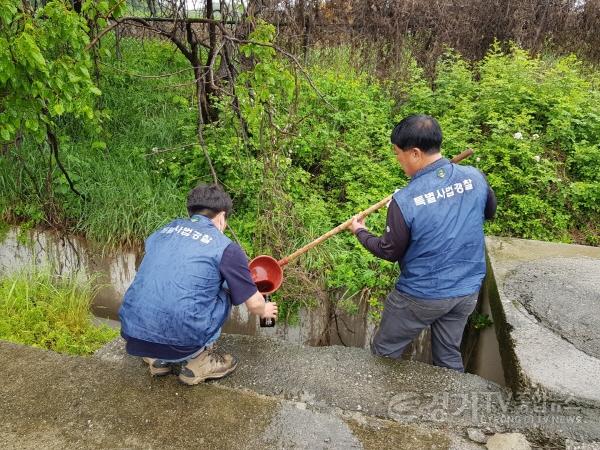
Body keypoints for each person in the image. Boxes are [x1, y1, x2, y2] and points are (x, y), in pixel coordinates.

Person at [349, 115, 496, 372]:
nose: (398, 160)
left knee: (384, 354)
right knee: (449, 356)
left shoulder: (405, 200)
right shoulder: (474, 176)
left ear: (415, 153)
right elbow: (489, 212)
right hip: (466, 291)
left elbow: (388, 250)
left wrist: (360, 231)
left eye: (398, 153)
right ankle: (453, 409)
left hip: (420, 296)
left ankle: (377, 408)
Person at [119, 184, 277, 385]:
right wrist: (265, 309)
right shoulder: (225, 248)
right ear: (221, 217)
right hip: (182, 343)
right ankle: (199, 362)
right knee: (226, 287)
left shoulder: (162, 232)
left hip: (134, 336)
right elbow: (254, 305)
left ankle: (158, 360)